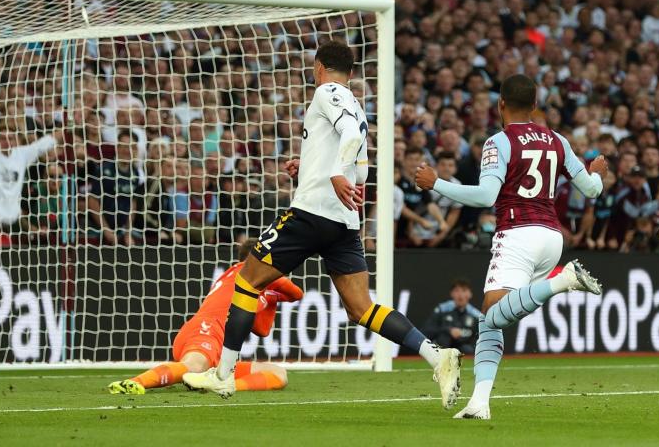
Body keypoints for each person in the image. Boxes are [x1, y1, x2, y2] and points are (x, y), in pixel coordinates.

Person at [183, 40, 462, 407]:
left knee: (247, 282)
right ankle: (435, 354)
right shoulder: (356, 103)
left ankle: (223, 376)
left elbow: (349, 136)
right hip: (343, 222)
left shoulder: (328, 91)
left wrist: (330, 174)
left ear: (319, 66)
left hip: (311, 213)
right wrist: (313, 169)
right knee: (361, 308)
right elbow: (358, 164)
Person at [414, 74, 607, 420]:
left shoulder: (499, 142)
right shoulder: (558, 140)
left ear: (500, 103)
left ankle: (562, 282)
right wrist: (597, 173)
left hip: (518, 233)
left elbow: (487, 196)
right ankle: (479, 403)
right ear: (534, 105)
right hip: (552, 237)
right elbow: (591, 190)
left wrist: (437, 183)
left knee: (490, 315)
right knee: (492, 322)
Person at [108, 239, 300, 395]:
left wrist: (270, 296)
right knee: (194, 366)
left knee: (278, 374)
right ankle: (134, 383)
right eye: (266, 260)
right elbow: (297, 293)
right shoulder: (240, 271)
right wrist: (275, 288)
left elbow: (262, 329)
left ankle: (226, 385)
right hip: (206, 330)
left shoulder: (253, 288)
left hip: (219, 351)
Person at [423, 279, 481, 355]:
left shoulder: (476, 315)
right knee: (444, 339)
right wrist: (448, 330)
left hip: (463, 346)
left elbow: (480, 337)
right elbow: (427, 331)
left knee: (468, 350)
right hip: (443, 346)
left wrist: (462, 335)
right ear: (452, 293)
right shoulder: (441, 309)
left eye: (464, 290)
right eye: (457, 291)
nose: (460, 295)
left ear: (470, 294)